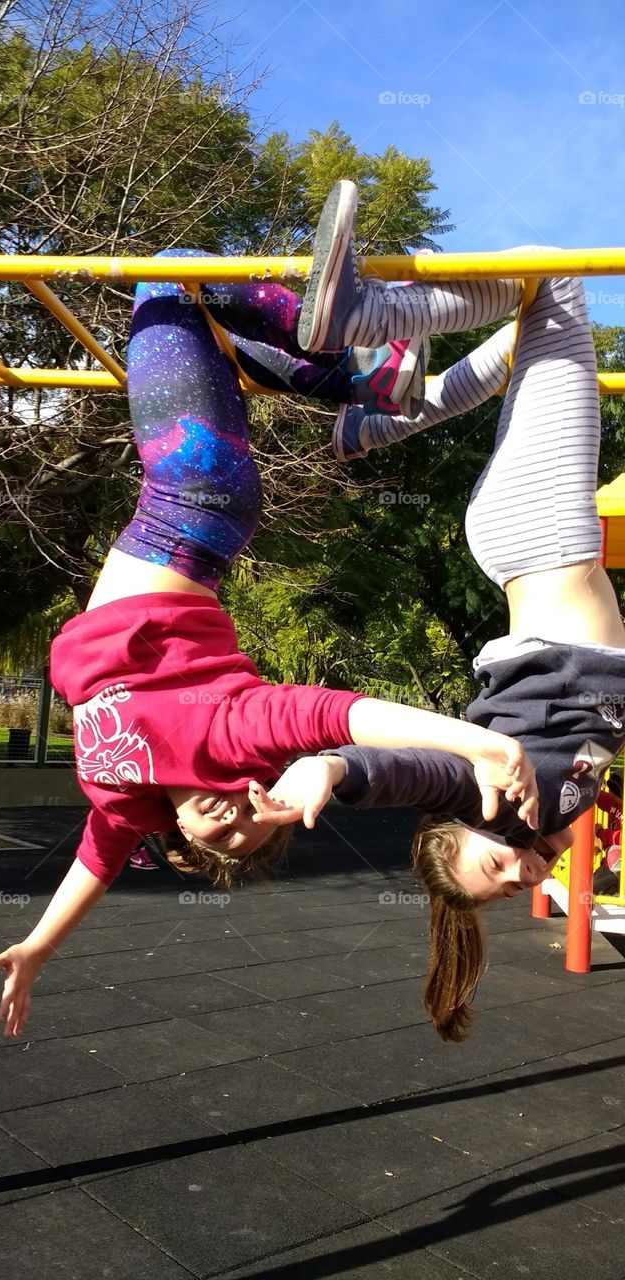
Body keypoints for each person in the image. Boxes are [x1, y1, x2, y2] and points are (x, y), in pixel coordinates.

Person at [0, 254, 536, 1037]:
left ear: (180, 839)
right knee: (168, 280)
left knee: (202, 318)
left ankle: (373, 384)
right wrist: (475, 746)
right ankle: (356, 339)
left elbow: (91, 867)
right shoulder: (229, 734)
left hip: (196, 504)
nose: (236, 814)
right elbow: (341, 714)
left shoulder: (124, 800)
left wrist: (37, 945)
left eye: (225, 833)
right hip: (190, 496)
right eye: (259, 816)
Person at [250, 178, 625, 1041]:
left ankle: (367, 319)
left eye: (500, 867)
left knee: (552, 278)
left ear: (465, 826)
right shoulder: (551, 816)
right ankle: (386, 419)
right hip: (527, 539)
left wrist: (334, 771)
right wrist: (542, 849)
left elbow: (415, 773)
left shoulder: (486, 790)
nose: (526, 872)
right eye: (520, 884)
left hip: (540, 536)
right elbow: (565, 797)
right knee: (538, 304)